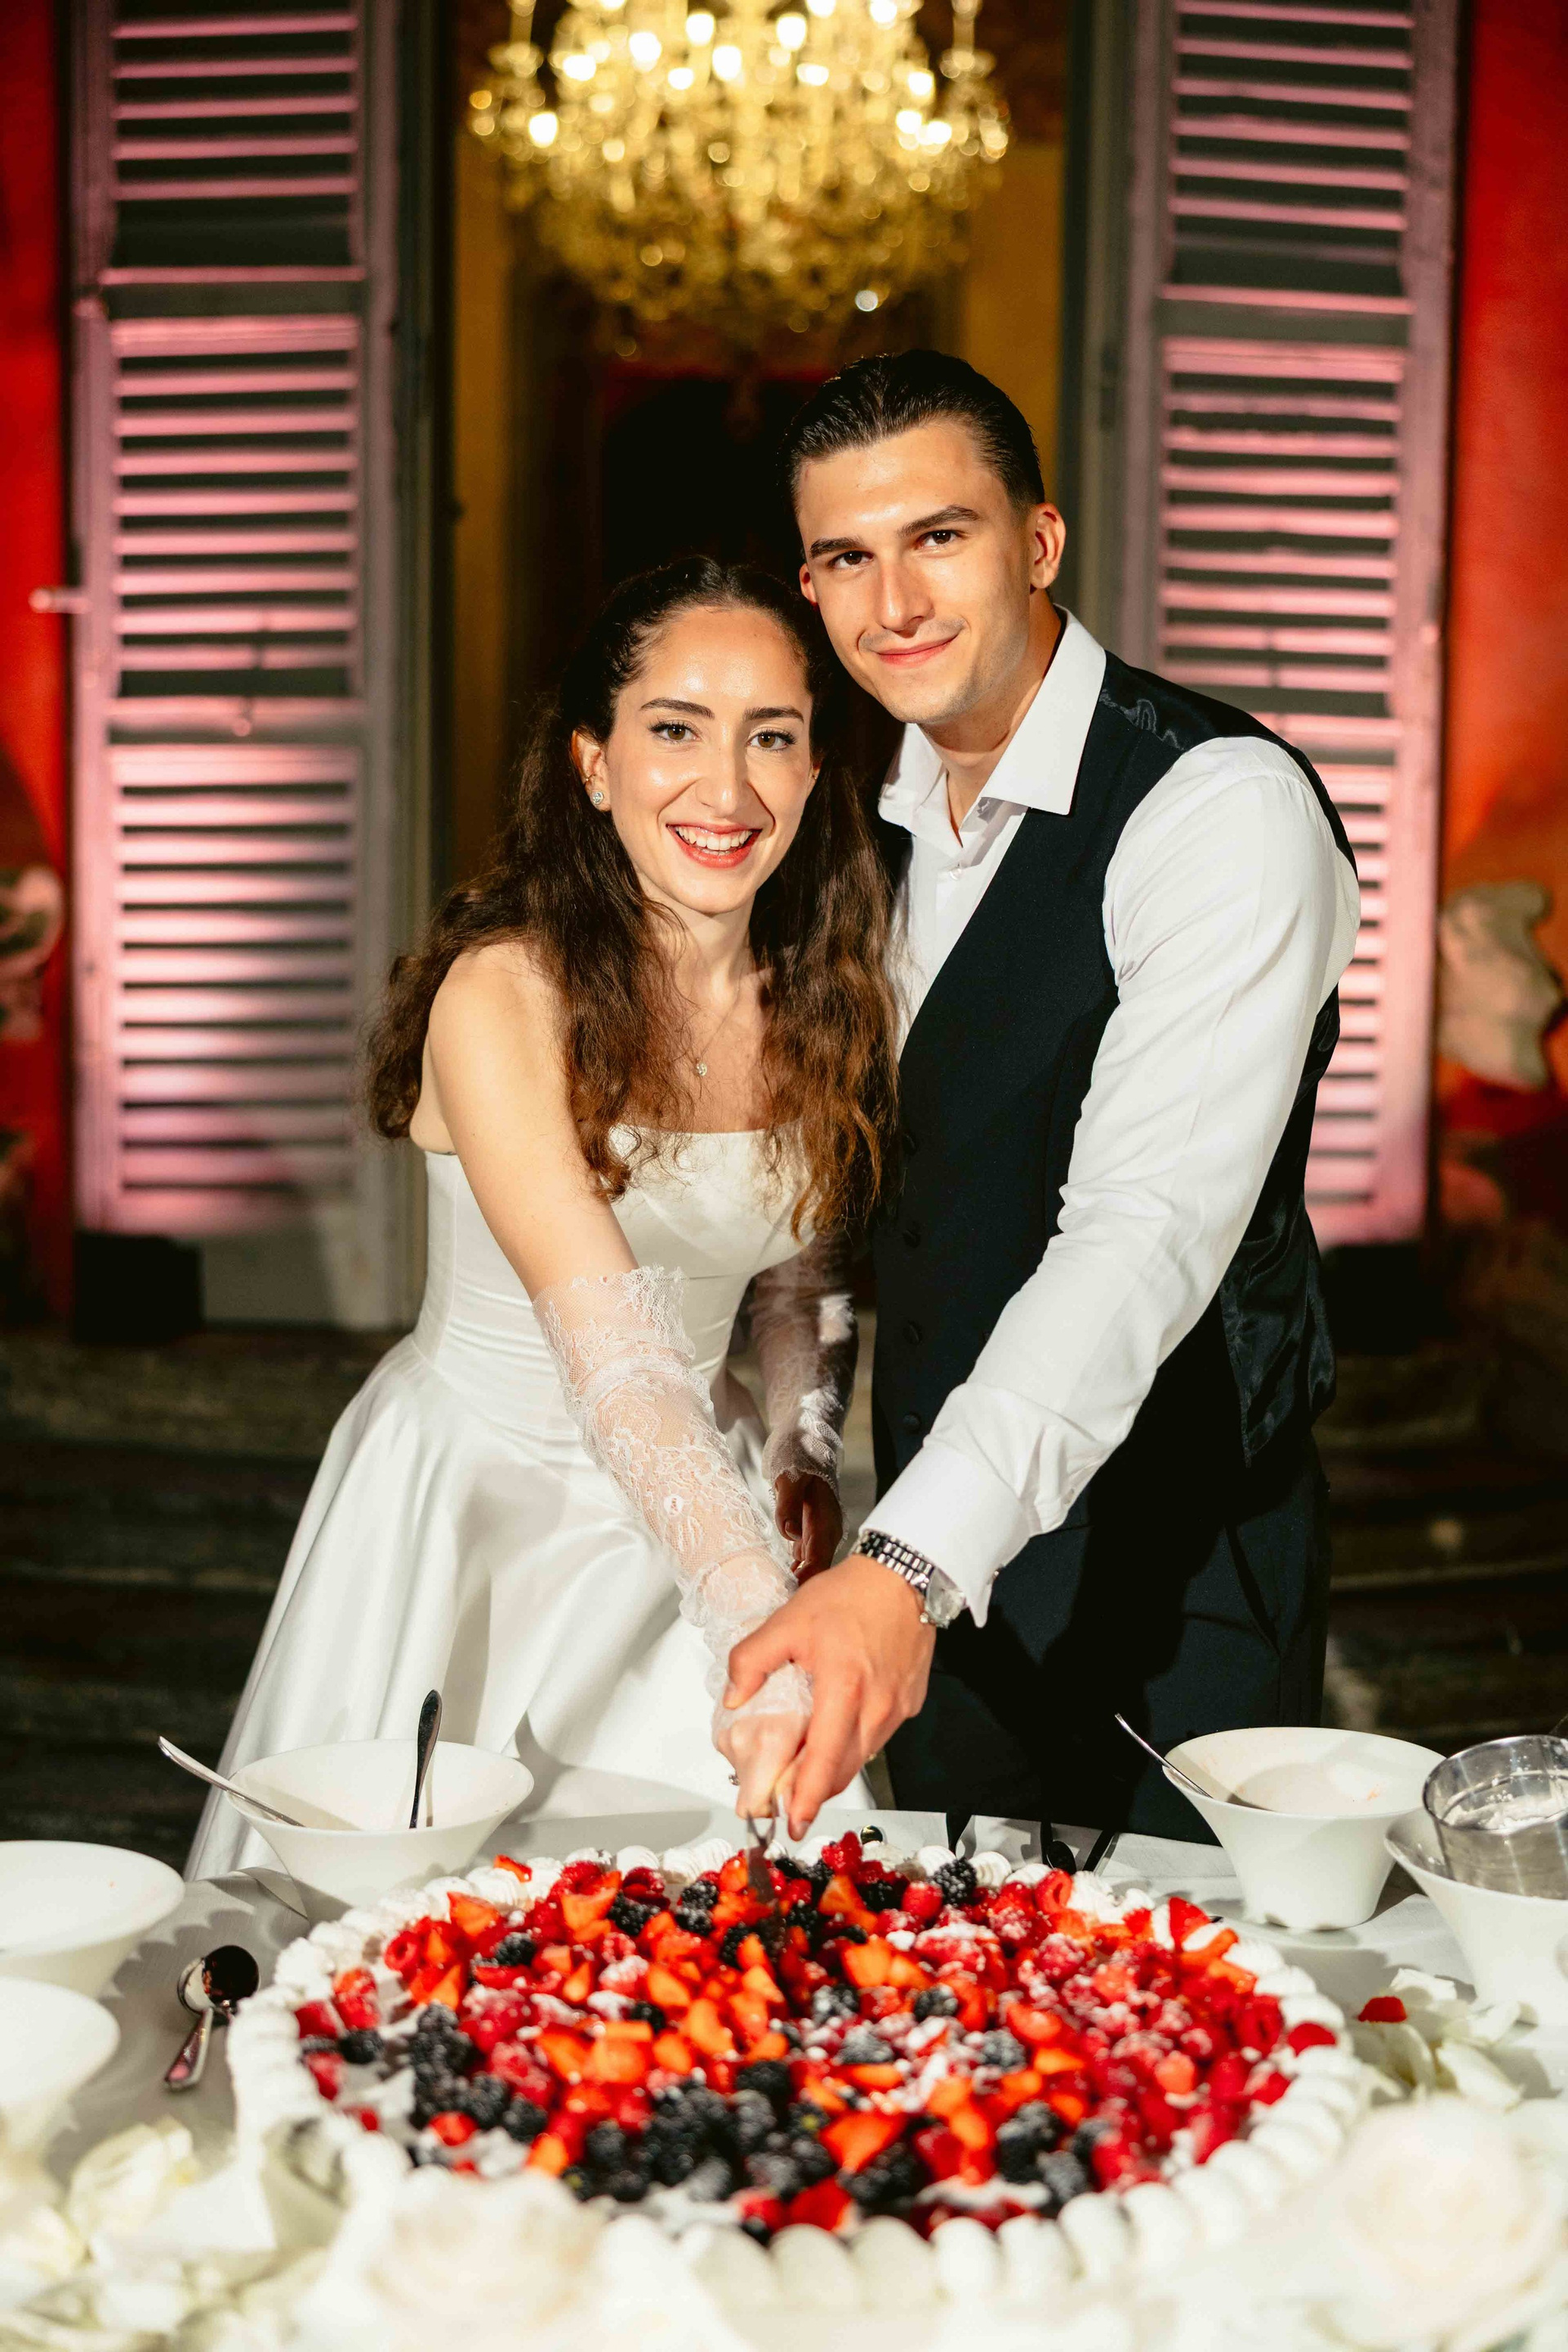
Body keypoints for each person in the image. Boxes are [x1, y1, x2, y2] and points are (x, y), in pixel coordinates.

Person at [727, 351, 1361, 1842]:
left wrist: (907, 1564)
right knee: (965, 1970)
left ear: (1039, 542)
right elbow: (860, 1184)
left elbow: (1143, 1230)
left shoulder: (1217, 807)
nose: (895, 603)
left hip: (1175, 1586)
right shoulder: (854, 827)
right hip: (948, 1597)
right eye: (847, 558)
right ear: (810, 587)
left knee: (1178, 1978)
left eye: (938, 537)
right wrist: (818, 1454)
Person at [188, 558, 898, 1879]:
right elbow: (617, 1359)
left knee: (740, 1927)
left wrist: (801, 1448)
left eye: (770, 738)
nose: (726, 789)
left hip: (705, 1481)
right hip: (482, 1510)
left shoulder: (828, 993)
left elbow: (802, 1273)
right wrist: (764, 1627)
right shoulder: (503, 994)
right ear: (592, 762)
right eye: (675, 729)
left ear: (814, 770)